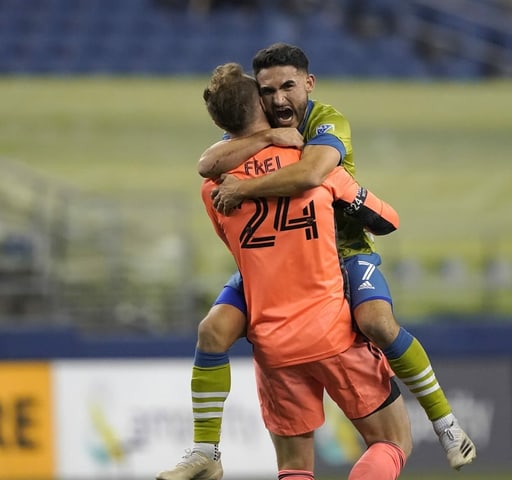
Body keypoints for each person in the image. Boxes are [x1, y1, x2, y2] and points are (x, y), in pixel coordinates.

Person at [158, 43, 475, 480]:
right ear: (257, 98)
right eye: (268, 91)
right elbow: (207, 161)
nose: (279, 99)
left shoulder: (326, 121)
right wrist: (267, 138)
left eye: (288, 86)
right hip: (287, 264)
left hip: (344, 250)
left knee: (378, 323)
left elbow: (309, 174)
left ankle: (446, 423)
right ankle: (205, 450)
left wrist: (245, 188)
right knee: (212, 329)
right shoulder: (259, 134)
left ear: (309, 83)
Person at [198, 61, 413, 480]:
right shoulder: (309, 159)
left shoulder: (215, 183)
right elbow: (385, 219)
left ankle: (204, 447)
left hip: (272, 338)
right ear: (259, 103)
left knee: (295, 467)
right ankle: (446, 420)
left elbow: (233, 240)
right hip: (327, 325)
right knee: (392, 441)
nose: (279, 100)